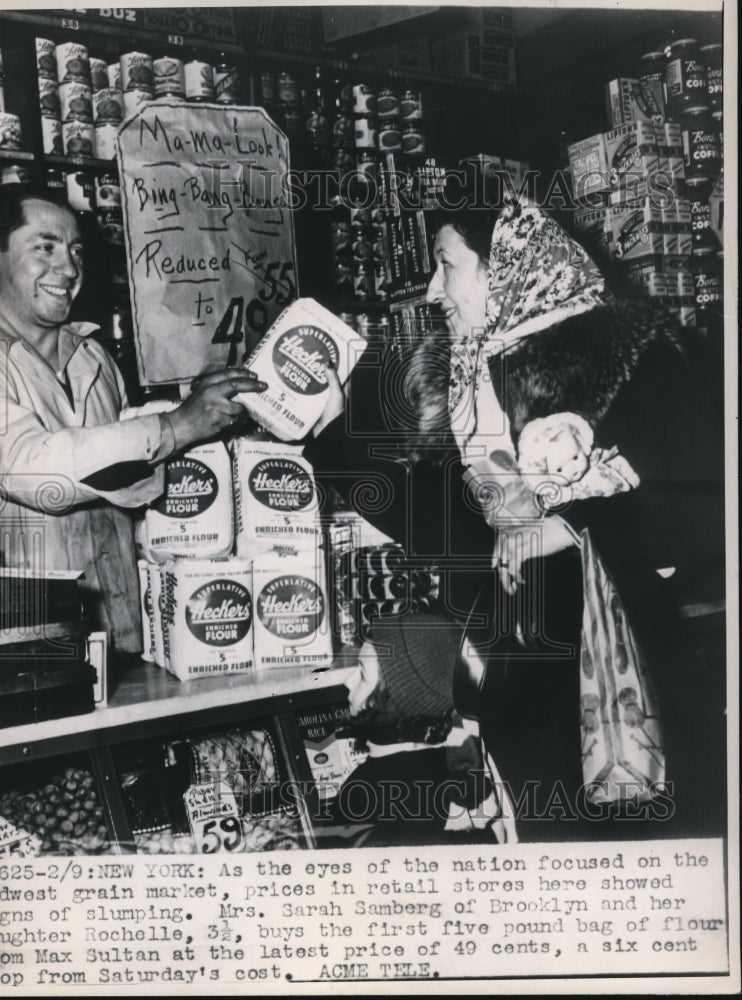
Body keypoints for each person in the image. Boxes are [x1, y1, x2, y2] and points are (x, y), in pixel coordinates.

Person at [307, 197, 725, 838]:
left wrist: (568, 526)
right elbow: (440, 522)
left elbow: (707, 504)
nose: (431, 289)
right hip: (520, 692)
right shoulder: (474, 379)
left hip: (624, 681)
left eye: (446, 266)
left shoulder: (633, 357)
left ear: (503, 269)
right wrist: (334, 429)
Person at [0, 184, 266, 658]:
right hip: (28, 656)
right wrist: (175, 426)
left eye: (75, 251)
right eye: (44, 248)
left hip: (127, 639)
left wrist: (200, 406)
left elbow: (129, 477)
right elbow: (35, 470)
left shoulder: (92, 355)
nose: (69, 269)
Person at [322, 613, 515, 847]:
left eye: (362, 674)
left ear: (398, 699)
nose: (348, 681)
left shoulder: (366, 792)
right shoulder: (454, 762)